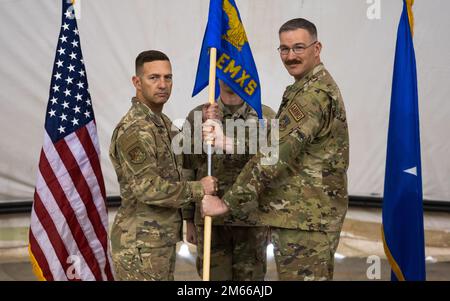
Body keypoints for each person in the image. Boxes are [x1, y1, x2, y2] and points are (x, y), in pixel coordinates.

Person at [202, 18, 350, 281]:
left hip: (306, 222)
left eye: (298, 48)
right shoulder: (302, 88)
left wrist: (226, 202)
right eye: (284, 49)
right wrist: (228, 142)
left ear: (317, 49)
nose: (290, 56)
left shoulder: (312, 95)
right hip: (301, 218)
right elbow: (280, 142)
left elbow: (274, 155)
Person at [109, 50, 218, 281]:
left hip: (158, 240)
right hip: (140, 245)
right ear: (137, 82)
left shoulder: (161, 123)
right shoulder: (136, 130)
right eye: (154, 78)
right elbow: (147, 188)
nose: (162, 84)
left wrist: (205, 123)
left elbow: (182, 161)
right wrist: (199, 189)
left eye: (168, 78)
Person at [182, 80, 276, 280]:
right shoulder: (198, 116)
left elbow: (273, 169)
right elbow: (188, 168)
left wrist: (272, 219)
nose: (231, 77)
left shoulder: (265, 116)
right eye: (224, 70)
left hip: (253, 221)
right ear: (216, 74)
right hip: (211, 221)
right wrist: (188, 219)